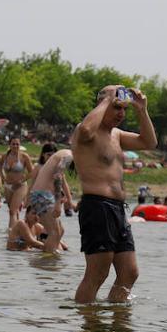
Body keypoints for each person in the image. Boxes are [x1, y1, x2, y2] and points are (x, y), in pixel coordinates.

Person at [69, 86, 155, 303]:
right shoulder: (86, 130)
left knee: (129, 272)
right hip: (96, 206)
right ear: (102, 104)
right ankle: (88, 328)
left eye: (124, 109)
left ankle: (117, 324)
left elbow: (149, 142)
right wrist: (107, 99)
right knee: (98, 273)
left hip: (118, 210)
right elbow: (87, 130)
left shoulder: (117, 135)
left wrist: (142, 110)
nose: (121, 114)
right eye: (117, 107)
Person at [26, 148, 75, 254]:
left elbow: (62, 180)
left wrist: (70, 202)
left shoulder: (65, 154)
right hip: (42, 195)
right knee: (54, 232)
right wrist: (58, 203)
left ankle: (47, 257)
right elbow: (57, 177)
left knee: (60, 230)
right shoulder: (69, 156)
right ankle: (46, 264)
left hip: (43, 196)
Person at [0, 137, 34, 228]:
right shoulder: (5, 156)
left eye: (17, 144)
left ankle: (11, 232)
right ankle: (19, 229)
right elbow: (0, 169)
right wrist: (3, 177)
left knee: (12, 211)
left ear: (20, 145)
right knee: (13, 210)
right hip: (8, 185)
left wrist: (22, 180)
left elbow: (32, 172)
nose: (15, 146)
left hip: (20, 186)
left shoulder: (24, 156)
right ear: (9, 145)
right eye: (13, 144)